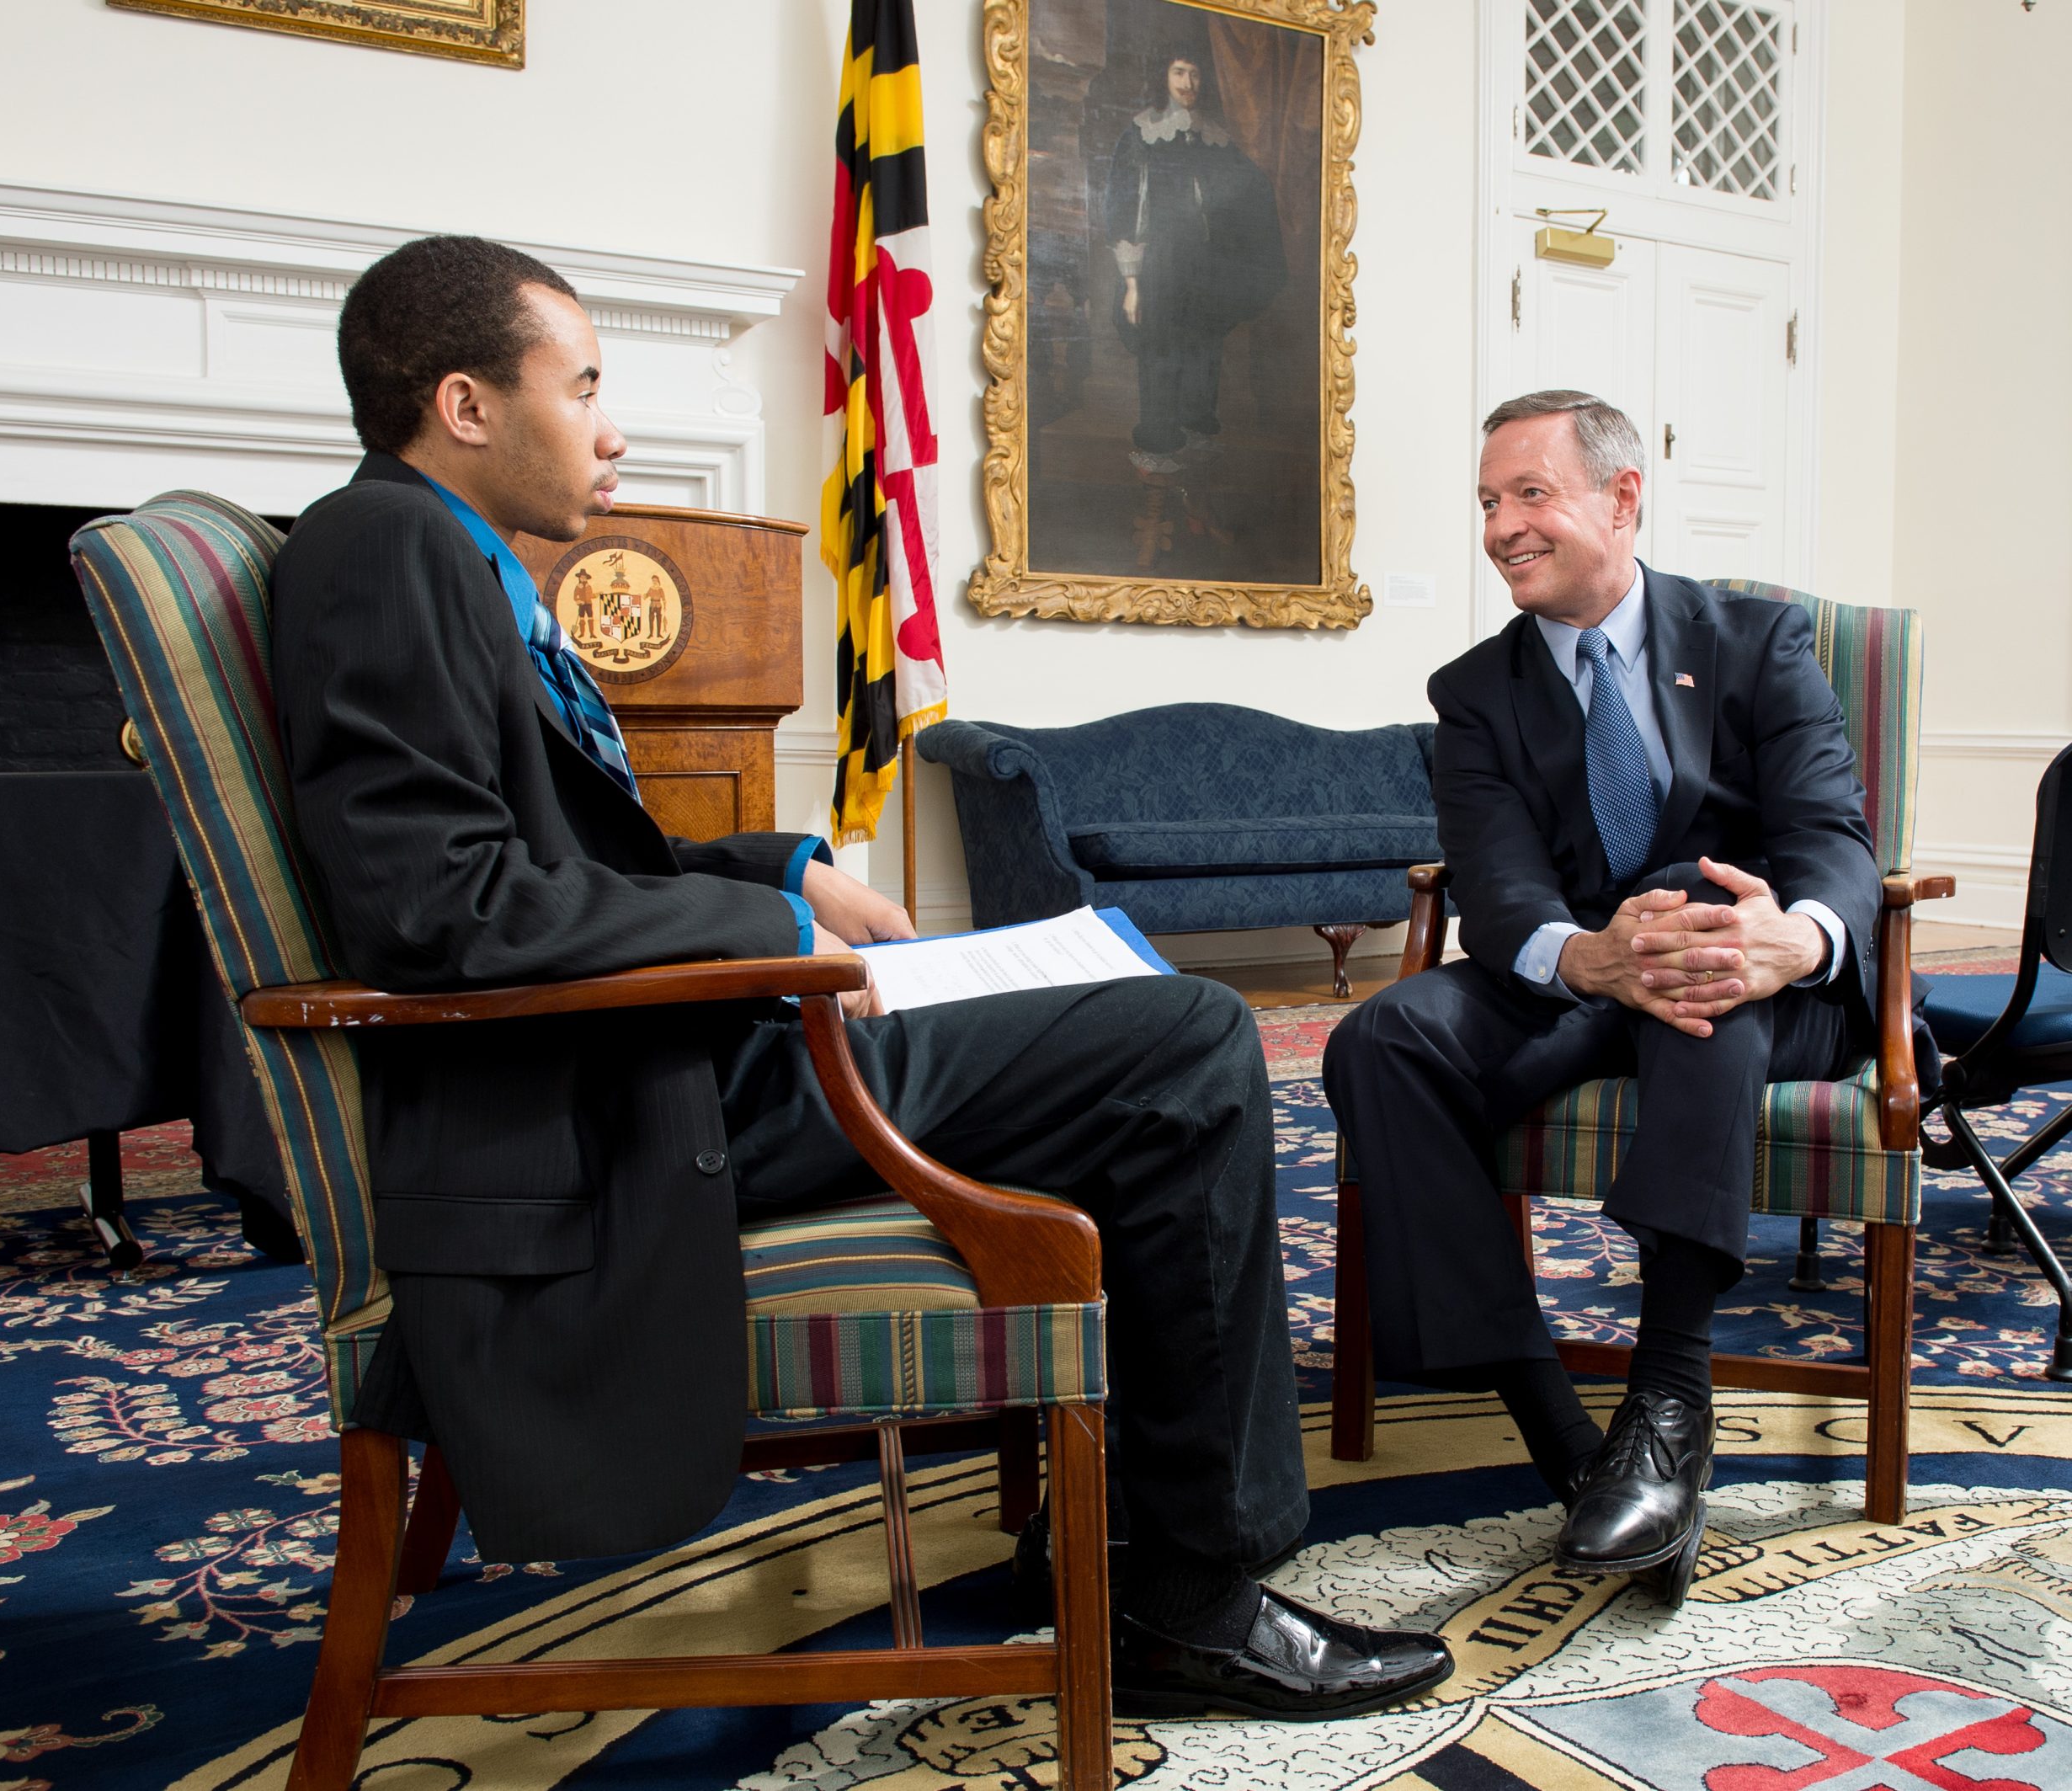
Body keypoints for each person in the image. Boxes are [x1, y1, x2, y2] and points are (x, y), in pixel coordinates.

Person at [270, 234, 1450, 1720]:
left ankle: (1140, 1544)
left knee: (1126, 1043)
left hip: (659, 1061)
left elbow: (557, 857)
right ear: (464, 403)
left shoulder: (439, 553)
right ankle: (1195, 1595)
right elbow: (438, 911)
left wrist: (779, 871)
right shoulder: (385, 550)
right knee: (1195, 1041)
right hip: (622, 1108)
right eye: (582, 385)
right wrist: (761, 945)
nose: (613, 423)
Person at [1324, 391, 1883, 1588]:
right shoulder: (1475, 689)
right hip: (1578, 977)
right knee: (1380, 1041)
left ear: (1622, 499)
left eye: (1531, 494)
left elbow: (1834, 834)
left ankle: (1669, 1398)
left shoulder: (1755, 640)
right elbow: (1501, 885)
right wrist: (1589, 959)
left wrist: (1803, 934)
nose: (1502, 527)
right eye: (1488, 502)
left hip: (1756, 982)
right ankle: (1568, 1437)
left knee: (1697, 934)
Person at [1105, 49, 1283, 482]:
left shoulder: (1214, 138)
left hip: (1206, 267)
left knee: (1203, 350)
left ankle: (1198, 431)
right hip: (1159, 266)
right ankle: (1159, 442)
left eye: (1196, 74)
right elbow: (1126, 207)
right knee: (1161, 352)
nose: (1188, 83)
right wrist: (1132, 282)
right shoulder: (1141, 135)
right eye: (1179, 72)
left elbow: (1247, 192)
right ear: (1163, 76)